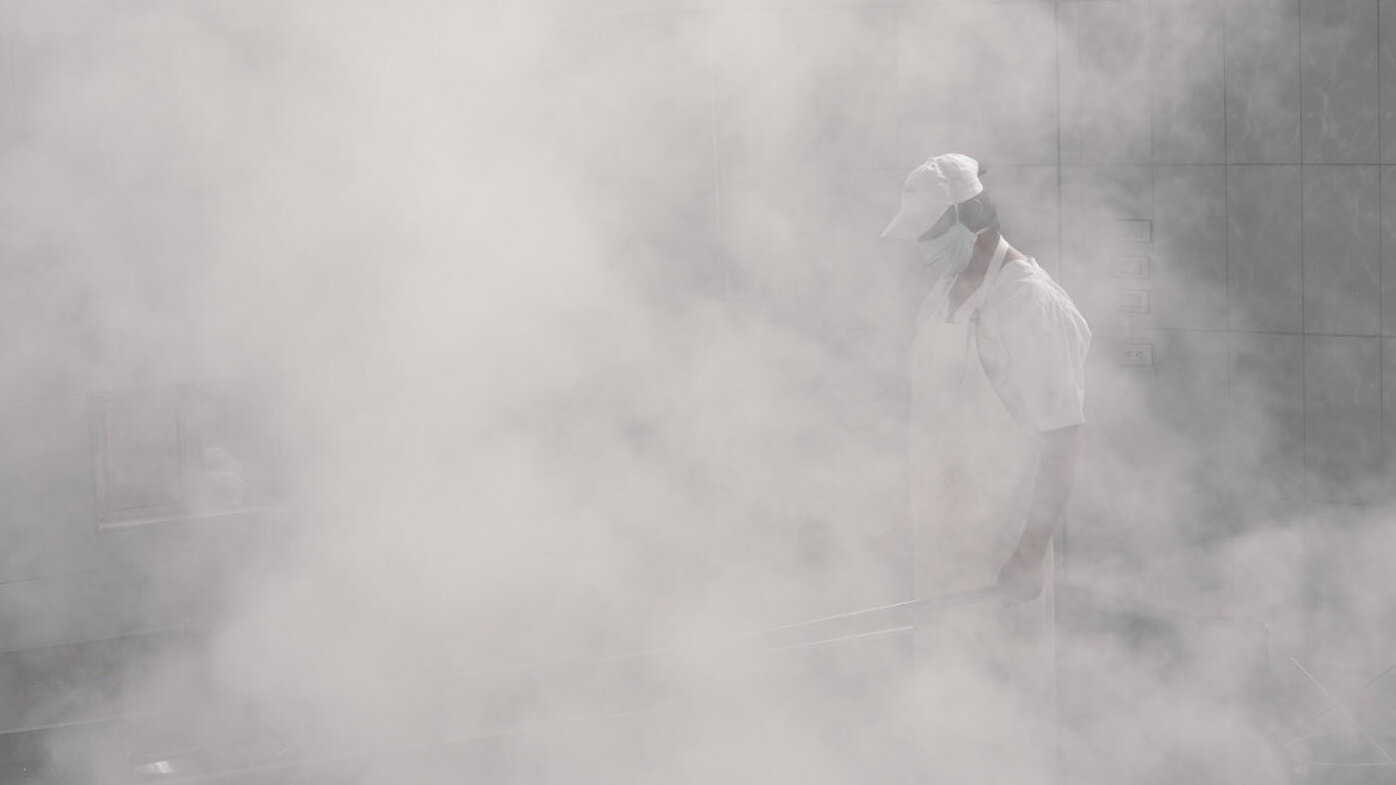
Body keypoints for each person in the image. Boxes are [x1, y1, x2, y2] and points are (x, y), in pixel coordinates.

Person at [882, 152, 1091, 783]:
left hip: (999, 555)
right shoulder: (944, 296)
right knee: (944, 716)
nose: (922, 250)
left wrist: (1030, 553)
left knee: (1003, 725)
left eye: (928, 234)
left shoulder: (1027, 304)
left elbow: (1062, 437)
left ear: (970, 218)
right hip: (942, 543)